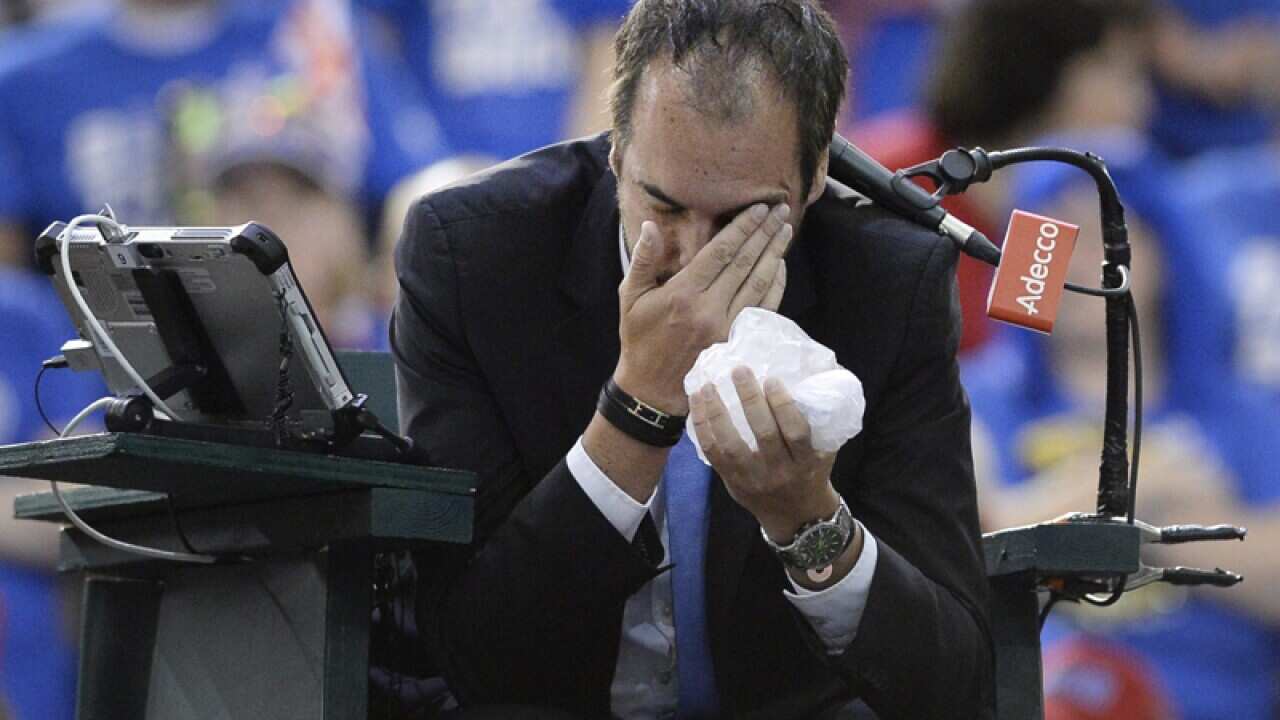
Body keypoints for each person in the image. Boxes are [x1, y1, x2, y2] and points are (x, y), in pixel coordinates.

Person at [391, 1, 991, 717]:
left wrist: (808, 522)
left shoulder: (890, 282)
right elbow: (473, 658)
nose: (695, 255)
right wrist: (635, 412)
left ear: (816, 176)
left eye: (742, 219)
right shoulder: (475, 256)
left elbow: (956, 684)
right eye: (664, 207)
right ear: (616, 150)